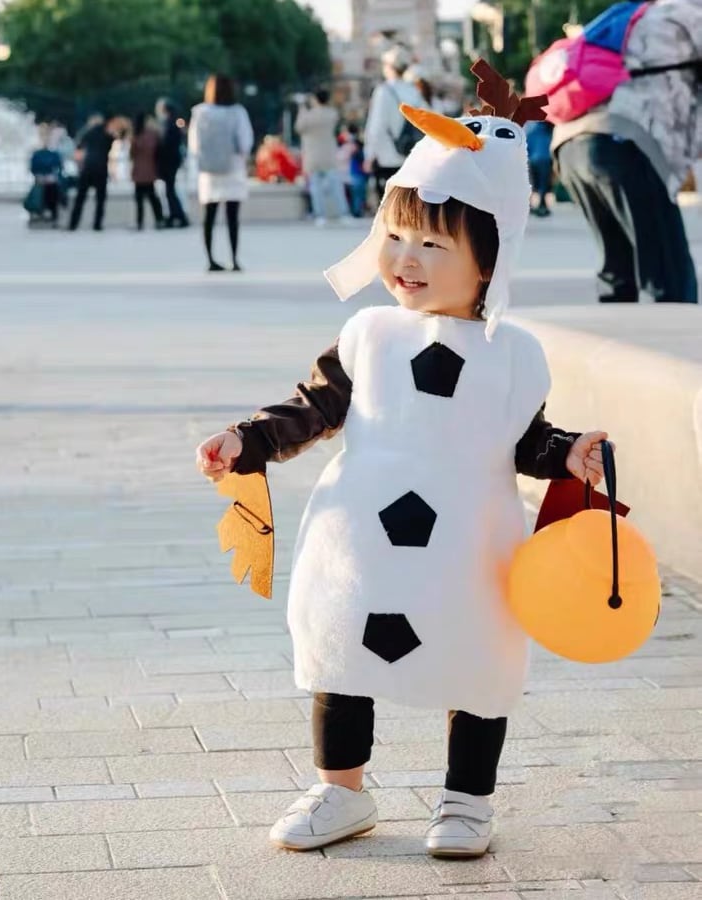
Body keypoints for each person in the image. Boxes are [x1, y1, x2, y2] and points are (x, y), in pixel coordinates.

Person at [195, 62, 612, 858]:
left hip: (469, 546)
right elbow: (313, 407)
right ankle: (339, 790)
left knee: (478, 659)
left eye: (430, 242)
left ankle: (465, 801)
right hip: (359, 541)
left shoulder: (511, 354)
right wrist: (247, 438)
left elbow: (527, 441)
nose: (405, 259)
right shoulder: (370, 335)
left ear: (488, 260)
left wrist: (573, 456)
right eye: (394, 236)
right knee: (340, 649)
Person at [552, 0, 700, 303]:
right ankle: (673, 349)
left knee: (619, 273)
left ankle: (612, 347)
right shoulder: (692, 15)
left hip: (571, 145)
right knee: (669, 278)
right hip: (623, 142)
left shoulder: (638, 14)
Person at [188, 74, 254, 272]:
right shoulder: (237, 112)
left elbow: (194, 144)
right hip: (232, 168)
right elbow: (245, 142)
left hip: (209, 172)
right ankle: (234, 258)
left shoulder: (200, 112)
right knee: (232, 216)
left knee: (209, 216)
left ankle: (210, 259)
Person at [363, 45, 428, 201]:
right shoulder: (413, 91)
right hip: (410, 155)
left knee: (388, 204)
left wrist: (369, 154)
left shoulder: (383, 91)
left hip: (386, 155)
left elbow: (376, 126)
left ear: (389, 67)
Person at [296, 89, 351, 226]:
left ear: (315, 99)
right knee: (336, 186)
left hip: (313, 155)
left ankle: (320, 215)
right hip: (329, 154)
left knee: (316, 188)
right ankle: (344, 213)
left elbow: (299, 127)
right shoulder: (332, 114)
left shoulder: (309, 115)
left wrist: (302, 107)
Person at [69, 113, 113, 232]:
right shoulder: (107, 134)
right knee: (100, 199)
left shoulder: (86, 133)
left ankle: (73, 224)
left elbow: (78, 147)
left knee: (80, 198)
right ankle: (97, 224)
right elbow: (111, 145)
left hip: (87, 168)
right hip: (101, 169)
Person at [155, 98, 189, 228]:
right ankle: (176, 215)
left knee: (170, 191)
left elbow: (165, 144)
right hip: (172, 162)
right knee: (170, 190)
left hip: (168, 163)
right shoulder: (173, 123)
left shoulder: (167, 124)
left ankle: (178, 215)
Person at [131, 112, 165, 230]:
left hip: (138, 171)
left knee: (139, 199)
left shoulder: (135, 135)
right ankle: (159, 219)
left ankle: (139, 222)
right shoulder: (152, 134)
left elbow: (132, 153)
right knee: (153, 198)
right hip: (150, 170)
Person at [29, 123, 63, 227]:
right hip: (40, 179)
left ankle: (51, 213)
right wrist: (39, 176)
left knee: (52, 188)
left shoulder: (53, 152)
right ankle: (45, 213)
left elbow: (59, 167)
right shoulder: (37, 153)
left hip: (50, 180)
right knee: (43, 189)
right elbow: (33, 168)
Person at [526, 120, 553, 217]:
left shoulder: (529, 126)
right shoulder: (549, 127)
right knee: (543, 184)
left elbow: (525, 142)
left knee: (531, 184)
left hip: (532, 159)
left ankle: (530, 206)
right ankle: (542, 205)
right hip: (546, 158)